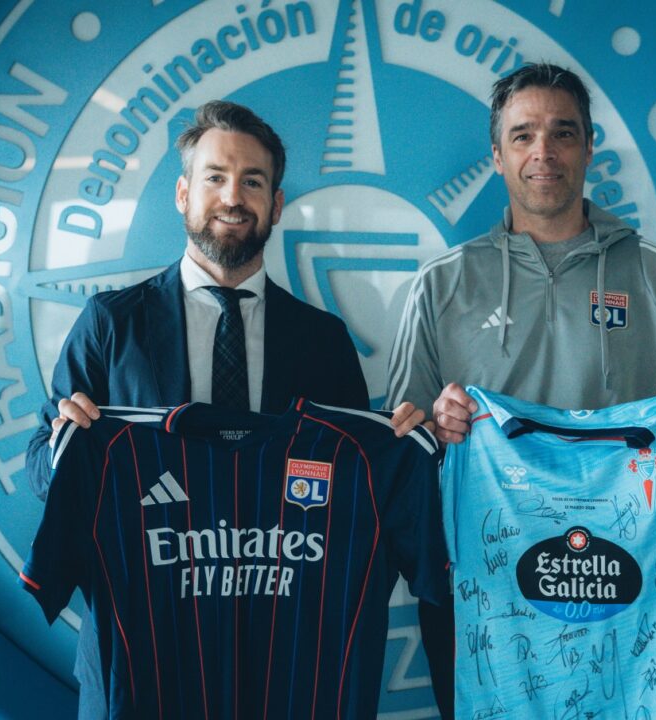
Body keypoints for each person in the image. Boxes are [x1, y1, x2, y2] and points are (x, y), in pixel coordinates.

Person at [25, 100, 423, 718]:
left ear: (276, 204)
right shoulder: (111, 324)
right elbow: (41, 468)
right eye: (215, 177)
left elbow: (352, 487)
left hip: (283, 660)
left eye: (252, 182)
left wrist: (398, 445)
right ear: (183, 193)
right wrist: (65, 447)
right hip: (147, 658)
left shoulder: (322, 340)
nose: (233, 197)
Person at [385, 63, 656, 718]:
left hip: (623, 585)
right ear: (497, 156)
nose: (543, 152)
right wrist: (435, 428)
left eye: (563, 133)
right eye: (523, 135)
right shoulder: (441, 284)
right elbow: (401, 446)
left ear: (589, 147)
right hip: (486, 589)